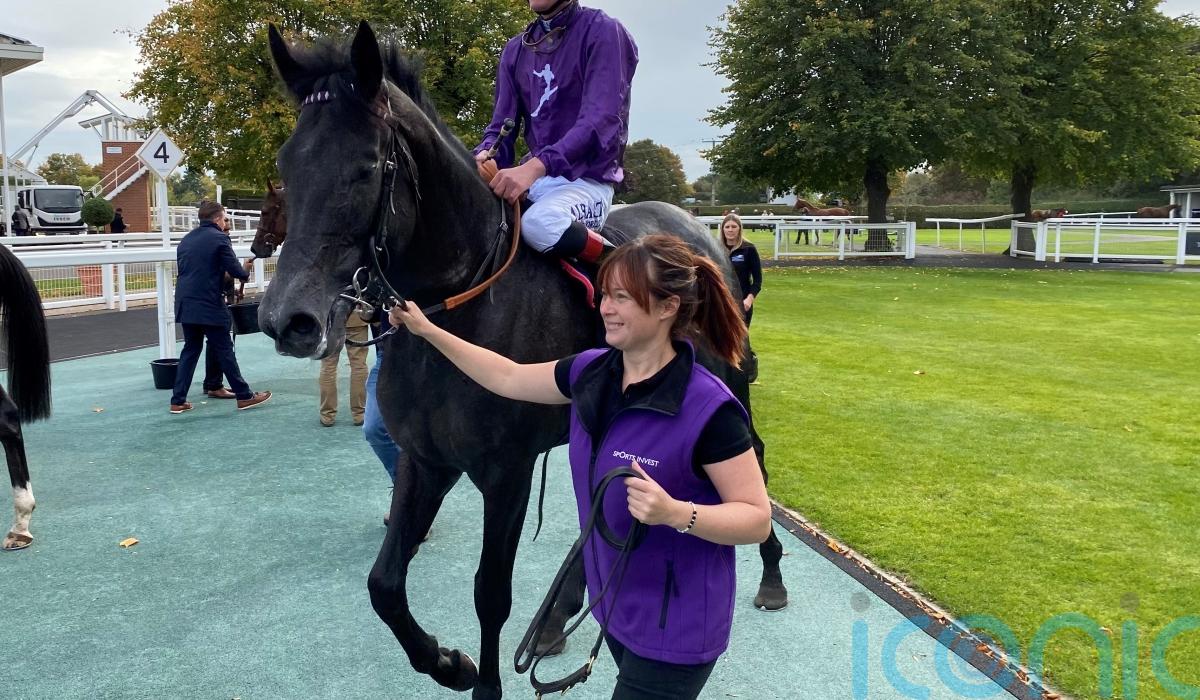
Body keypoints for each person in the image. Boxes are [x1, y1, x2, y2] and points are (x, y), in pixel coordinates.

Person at [388, 234, 771, 699]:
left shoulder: (709, 409)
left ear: (668, 307)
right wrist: (428, 330)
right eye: (605, 294)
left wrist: (676, 513)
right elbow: (507, 375)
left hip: (678, 627)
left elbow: (756, 518)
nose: (606, 308)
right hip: (615, 607)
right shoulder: (591, 372)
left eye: (622, 297)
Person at [473, 0, 638, 264]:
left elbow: (599, 122)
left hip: (587, 183)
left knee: (540, 224)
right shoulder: (515, 50)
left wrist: (535, 167)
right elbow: (501, 127)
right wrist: (486, 154)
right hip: (535, 182)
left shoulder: (604, 31)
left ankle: (622, 266)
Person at [169, 201, 271, 414]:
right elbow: (237, 272)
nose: (226, 223)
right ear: (217, 219)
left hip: (186, 302)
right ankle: (244, 396)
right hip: (209, 304)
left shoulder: (186, 240)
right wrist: (245, 269)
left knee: (191, 349)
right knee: (224, 349)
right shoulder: (219, 238)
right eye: (225, 219)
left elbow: (197, 271)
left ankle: (178, 400)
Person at [319, 314, 369, 427]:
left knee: (328, 366)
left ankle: (327, 415)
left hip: (329, 319)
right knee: (359, 365)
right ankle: (359, 414)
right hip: (357, 317)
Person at [720, 213, 762, 326]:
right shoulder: (717, 249)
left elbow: (757, 281)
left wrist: (749, 299)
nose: (730, 230)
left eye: (734, 227)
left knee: (740, 336)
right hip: (721, 303)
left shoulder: (749, 249)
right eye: (727, 227)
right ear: (723, 229)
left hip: (742, 303)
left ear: (739, 229)